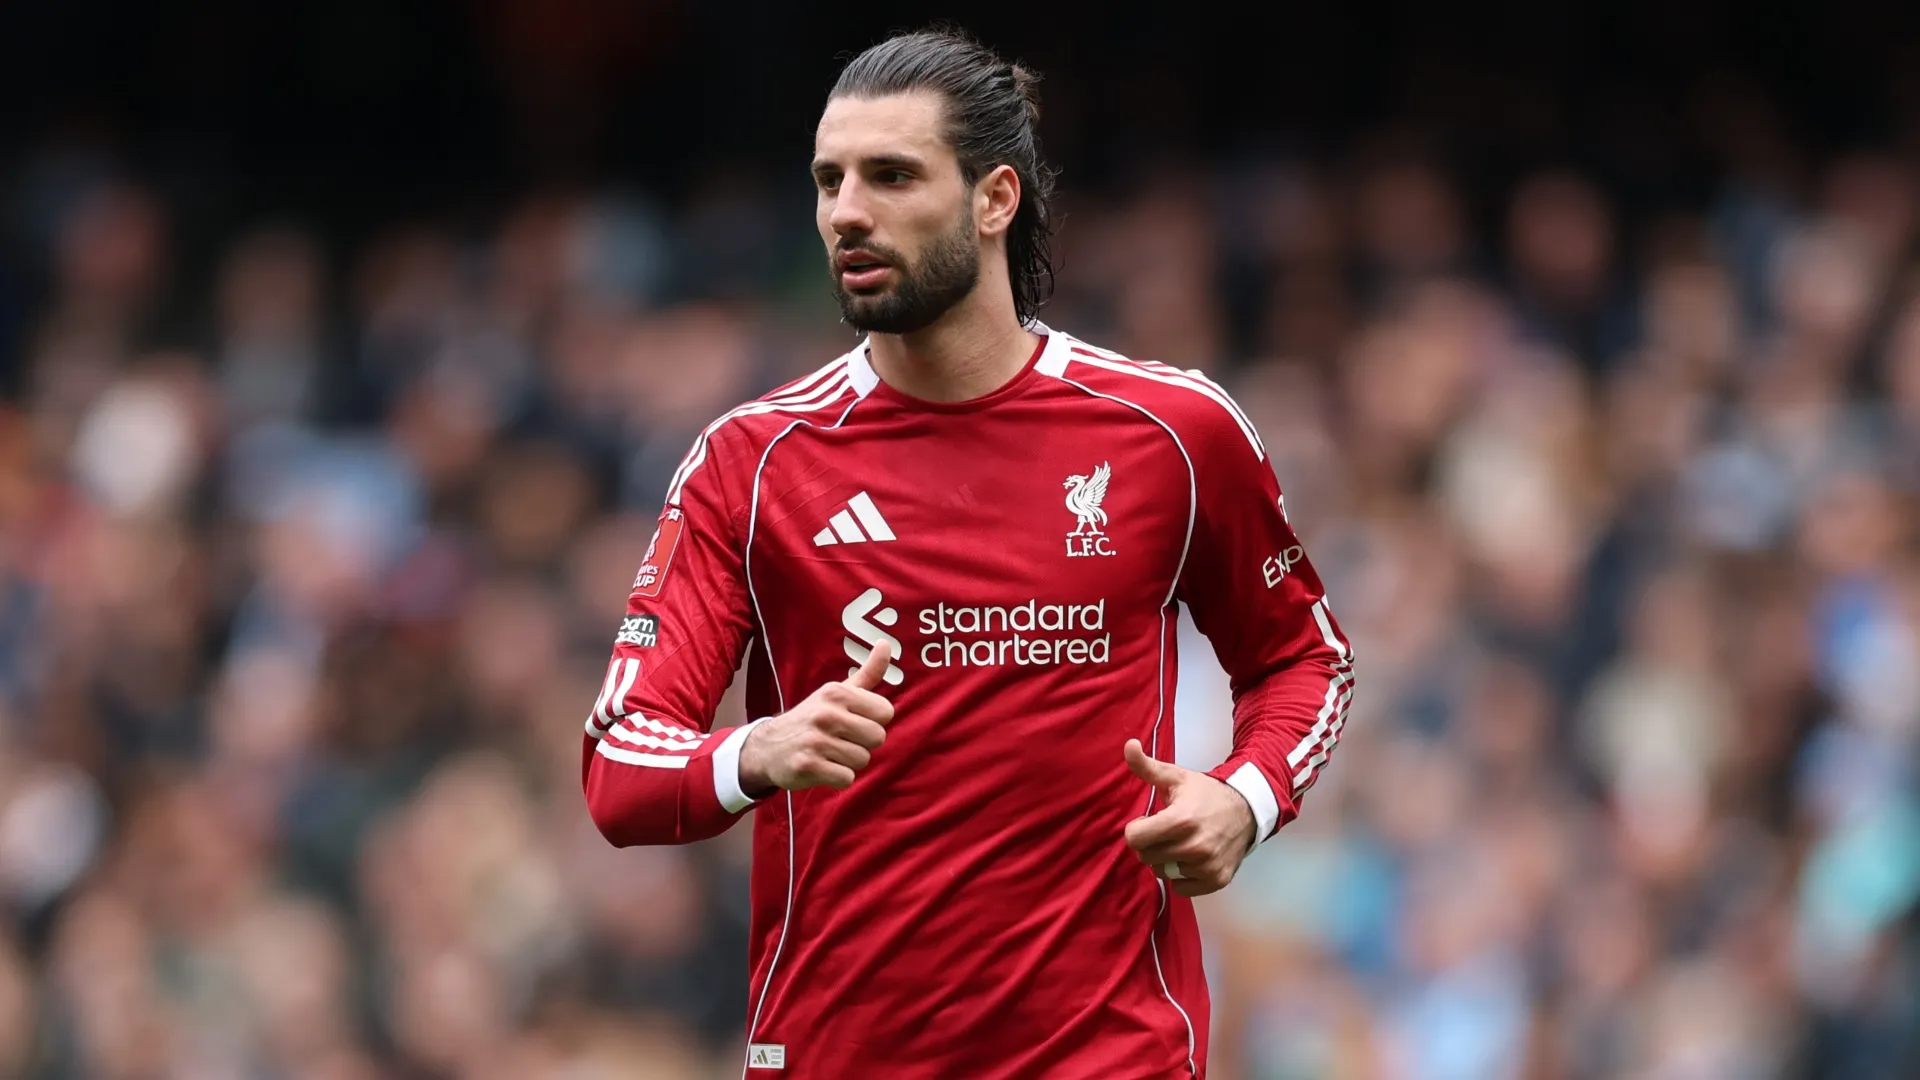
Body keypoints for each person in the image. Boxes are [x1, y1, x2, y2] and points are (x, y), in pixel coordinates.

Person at [581, 26, 1353, 1079]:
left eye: (892, 175)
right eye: (829, 179)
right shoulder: (753, 464)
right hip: (839, 1057)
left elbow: (1306, 659)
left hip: (1109, 1057)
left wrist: (1245, 798)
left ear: (997, 200)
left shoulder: (1171, 433)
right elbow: (621, 766)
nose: (847, 210)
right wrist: (756, 751)